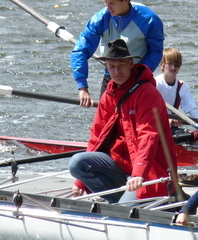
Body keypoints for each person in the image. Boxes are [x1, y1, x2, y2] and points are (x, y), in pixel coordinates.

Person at [69, 39, 177, 203]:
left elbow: (148, 136)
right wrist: (80, 183)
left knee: (125, 206)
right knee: (77, 163)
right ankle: (120, 202)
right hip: (121, 168)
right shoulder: (109, 95)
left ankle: (125, 203)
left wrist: (138, 173)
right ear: (107, 68)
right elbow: (96, 137)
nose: (117, 71)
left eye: (121, 66)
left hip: (150, 170)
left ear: (131, 63)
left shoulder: (147, 93)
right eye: (112, 67)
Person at [71, 0, 164, 108]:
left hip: (138, 78)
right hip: (112, 76)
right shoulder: (100, 19)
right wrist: (82, 87)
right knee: (106, 125)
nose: (107, 8)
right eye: (105, 2)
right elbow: (80, 50)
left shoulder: (149, 20)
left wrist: (139, 74)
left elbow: (155, 52)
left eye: (112, 3)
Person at [155, 47, 198, 125]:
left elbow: (193, 110)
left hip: (170, 127)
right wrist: (166, 120)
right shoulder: (155, 84)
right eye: (170, 64)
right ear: (162, 64)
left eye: (176, 64)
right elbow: (147, 110)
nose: (173, 67)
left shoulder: (182, 87)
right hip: (154, 125)